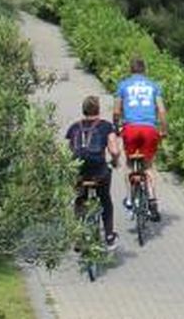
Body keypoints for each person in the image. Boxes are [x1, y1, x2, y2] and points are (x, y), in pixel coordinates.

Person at [113, 56, 166, 221]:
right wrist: (163, 130)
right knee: (148, 165)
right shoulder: (154, 86)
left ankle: (130, 199)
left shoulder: (123, 85)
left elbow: (116, 111)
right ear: (144, 70)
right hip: (149, 128)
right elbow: (161, 111)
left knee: (130, 164)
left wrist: (116, 126)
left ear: (131, 70)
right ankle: (152, 201)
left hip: (130, 128)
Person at [66, 94, 122, 248]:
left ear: (83, 110)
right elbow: (114, 150)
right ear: (98, 109)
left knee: (80, 199)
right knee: (105, 199)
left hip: (80, 171)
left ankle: (78, 237)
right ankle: (109, 236)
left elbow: (69, 152)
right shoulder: (106, 126)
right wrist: (115, 162)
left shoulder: (74, 127)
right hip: (99, 171)